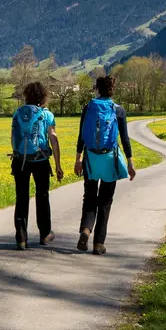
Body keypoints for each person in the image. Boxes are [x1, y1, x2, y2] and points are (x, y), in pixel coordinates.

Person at [74, 75, 136, 255]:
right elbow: (124, 139)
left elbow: (81, 136)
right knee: (106, 200)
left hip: (91, 159)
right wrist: (130, 163)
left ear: (97, 89)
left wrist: (78, 159)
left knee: (90, 197)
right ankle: (98, 243)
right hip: (110, 159)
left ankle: (85, 229)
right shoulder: (118, 110)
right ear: (112, 90)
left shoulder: (88, 107)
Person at [11, 81, 64, 250]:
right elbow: (53, 139)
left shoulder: (17, 113)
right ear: (43, 96)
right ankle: (45, 234)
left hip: (20, 160)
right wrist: (57, 164)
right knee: (42, 196)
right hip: (40, 160)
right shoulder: (46, 115)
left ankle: (21, 236)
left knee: (21, 197)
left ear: (27, 95)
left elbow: (13, 137)